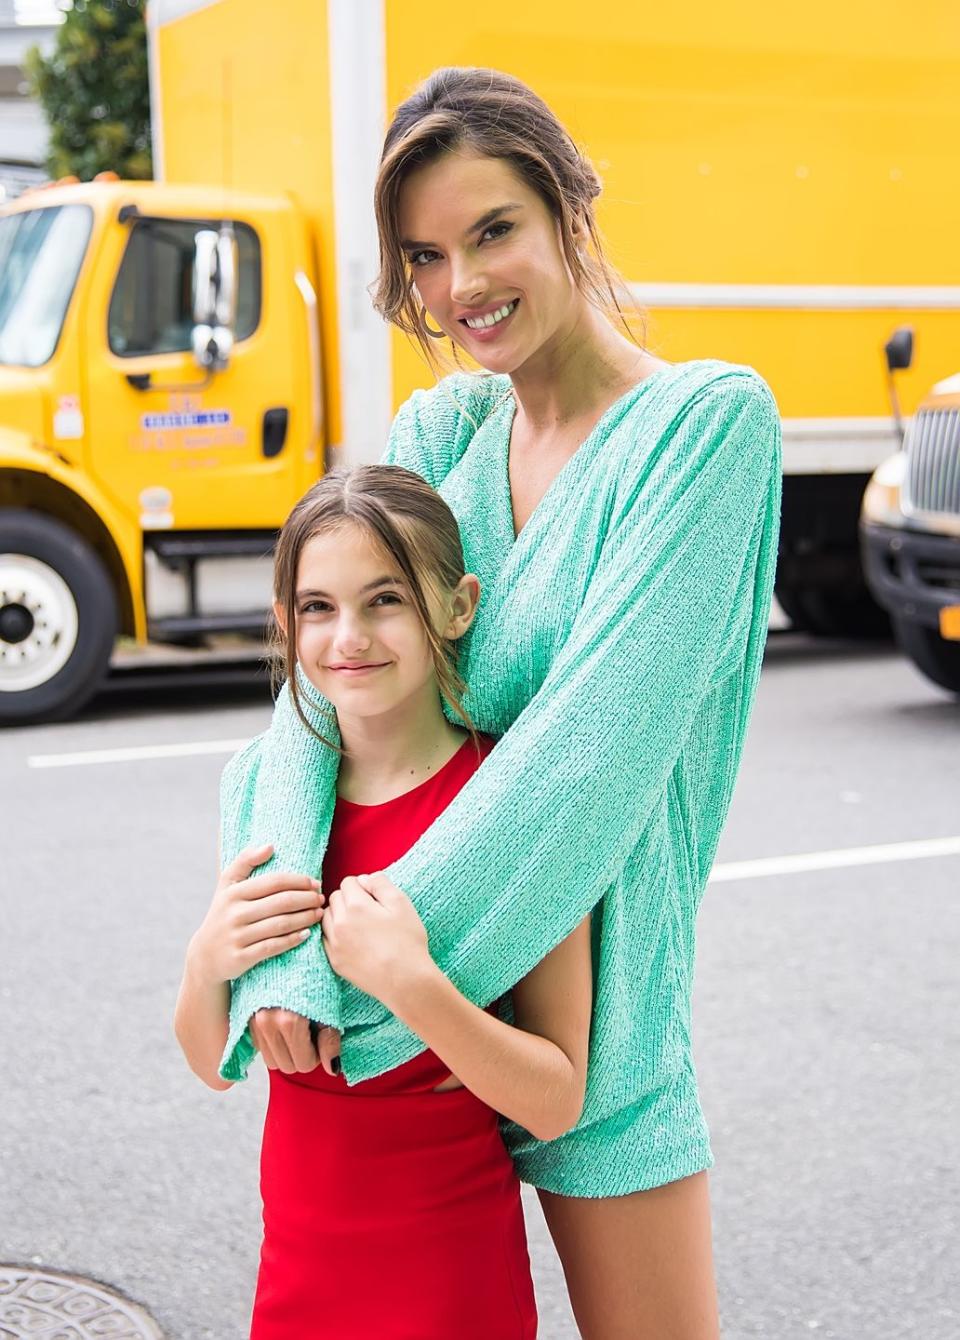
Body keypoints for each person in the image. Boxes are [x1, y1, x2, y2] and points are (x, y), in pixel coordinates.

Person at [220, 67, 782, 1340]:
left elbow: (582, 768)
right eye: (425, 253)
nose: (460, 286)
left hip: (592, 1032)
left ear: (570, 211)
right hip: (411, 1037)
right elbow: (308, 711)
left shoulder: (701, 428)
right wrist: (286, 949)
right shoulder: (445, 432)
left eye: (492, 231)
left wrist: (363, 984)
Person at [175, 464, 595, 1337]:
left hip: (447, 1268)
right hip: (299, 1265)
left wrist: (413, 986)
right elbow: (213, 1064)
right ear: (286, 626)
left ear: (458, 606)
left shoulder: (507, 805)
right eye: (318, 608)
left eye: (386, 600)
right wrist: (207, 960)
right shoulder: (276, 806)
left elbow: (555, 1100)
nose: (349, 636)